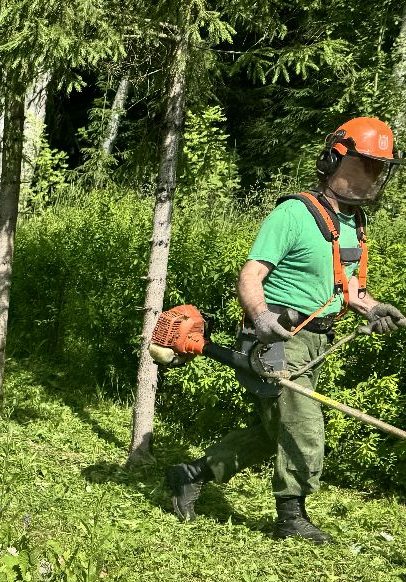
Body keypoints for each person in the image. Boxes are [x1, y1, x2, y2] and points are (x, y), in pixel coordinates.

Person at [166, 117, 406, 544]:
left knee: (271, 431)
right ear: (335, 158)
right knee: (304, 426)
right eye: (367, 164)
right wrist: (261, 320)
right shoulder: (294, 213)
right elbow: (251, 274)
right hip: (275, 338)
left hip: (315, 341)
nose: (374, 176)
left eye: (380, 168)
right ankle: (291, 517)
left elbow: (346, 286)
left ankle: (191, 473)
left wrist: (371, 308)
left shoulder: (354, 223)